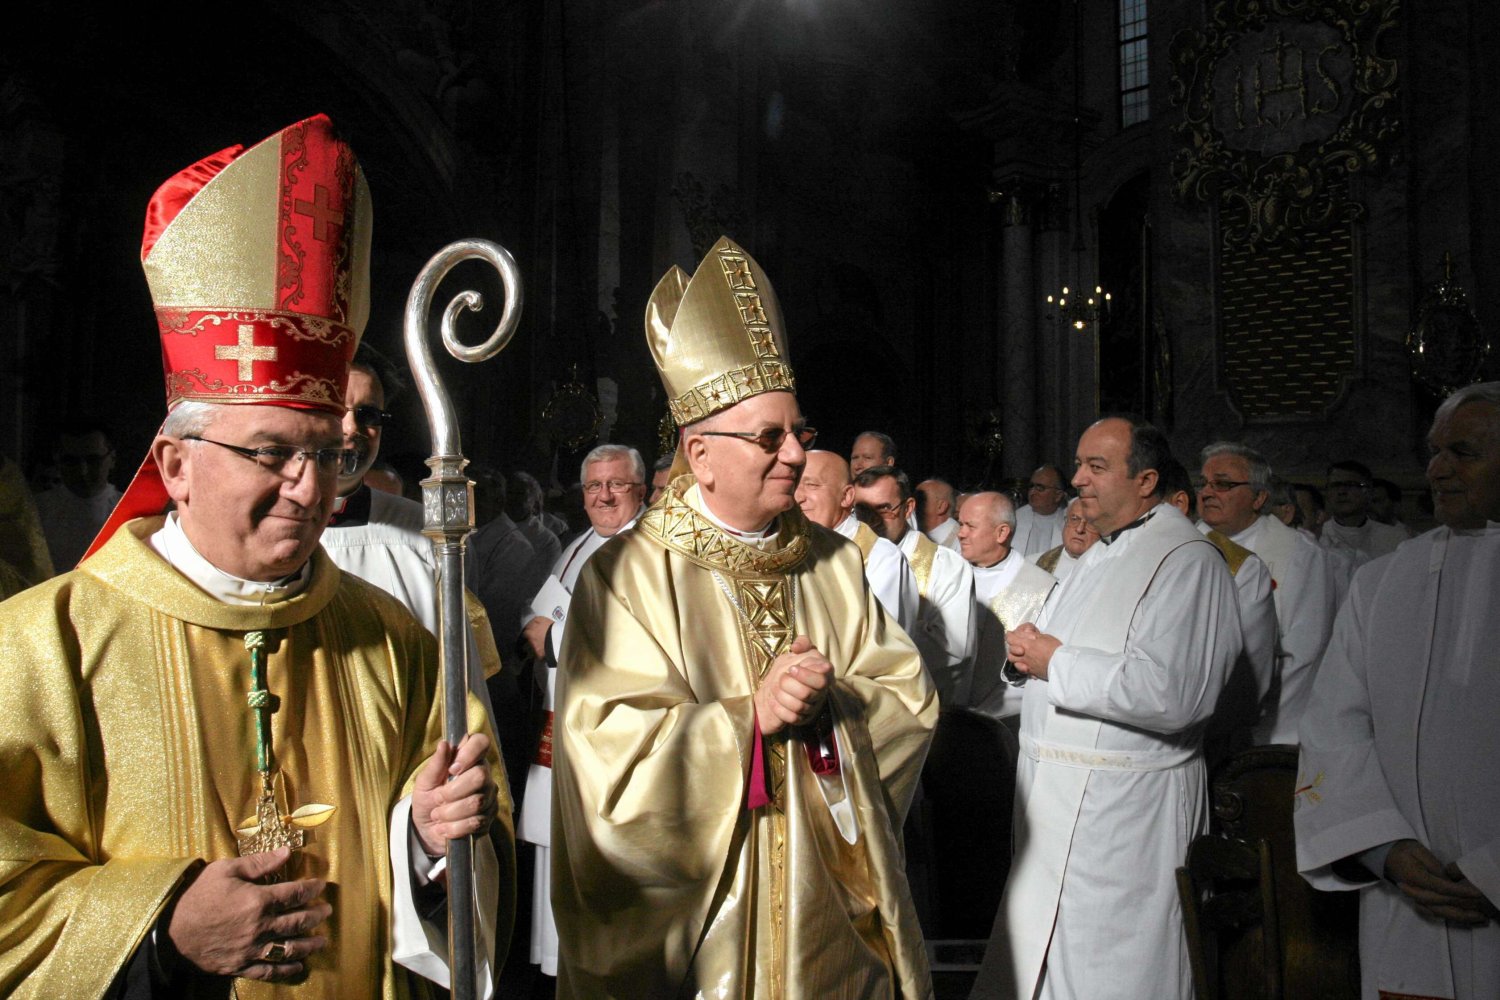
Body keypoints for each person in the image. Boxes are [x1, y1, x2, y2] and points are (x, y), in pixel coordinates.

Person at [0, 115, 509, 998]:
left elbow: (465, 851)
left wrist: (426, 842)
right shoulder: (44, 647)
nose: (310, 488)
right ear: (176, 465)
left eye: (327, 453)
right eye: (271, 453)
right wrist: (161, 930)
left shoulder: (393, 640)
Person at [551, 236, 937, 998]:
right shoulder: (626, 577)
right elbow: (606, 767)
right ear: (700, 455)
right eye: (769, 437)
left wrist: (831, 712)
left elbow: (909, 701)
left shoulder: (833, 563)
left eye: (800, 432)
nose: (795, 454)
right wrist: (748, 720)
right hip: (706, 937)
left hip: (831, 919)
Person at [973, 416, 1241, 1000]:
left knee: (1118, 972)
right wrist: (1025, 656)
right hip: (1055, 805)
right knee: (1049, 966)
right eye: (1078, 465)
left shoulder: (1188, 561)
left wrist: (1052, 660)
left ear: (1145, 481)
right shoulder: (1098, 552)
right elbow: (1059, 649)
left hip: (1125, 816)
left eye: (1096, 466)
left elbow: (1177, 694)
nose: (1077, 480)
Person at [1296, 381, 1500, 999]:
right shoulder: (1382, 582)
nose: (1436, 470)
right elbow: (1334, 727)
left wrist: (1493, 871)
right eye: (1435, 451)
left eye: (1463, 453)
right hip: (1407, 897)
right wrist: (1383, 848)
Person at [516, 443, 646, 981]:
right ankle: (561, 967)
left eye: (617, 484)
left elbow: (637, 638)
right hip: (561, 716)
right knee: (558, 842)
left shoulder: (650, 549)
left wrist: (550, 639)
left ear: (641, 490)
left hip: (616, 733)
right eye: (594, 486)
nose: (605, 496)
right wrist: (539, 633)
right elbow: (536, 614)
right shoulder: (579, 544)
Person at [1198, 442, 1337, 745]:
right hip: (1193, 720)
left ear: (1259, 497)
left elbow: (1304, 651)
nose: (1207, 492)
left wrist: (1267, 730)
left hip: (1267, 728)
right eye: (1204, 483)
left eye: (1222, 484)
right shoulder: (1187, 541)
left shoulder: (1299, 553)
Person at [853, 464, 977, 706]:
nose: (872, 522)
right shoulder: (847, 556)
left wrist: (881, 638)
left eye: (884, 509)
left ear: (908, 507)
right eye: (863, 511)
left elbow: (954, 649)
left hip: (920, 703)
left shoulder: (945, 566)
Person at [797, 449, 919, 633]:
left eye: (812, 485)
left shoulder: (882, 558)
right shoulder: (788, 547)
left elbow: (883, 641)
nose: (798, 497)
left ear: (846, 496)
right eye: (794, 485)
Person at [958, 490, 1056, 720]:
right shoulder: (947, 572)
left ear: (1001, 533)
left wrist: (982, 716)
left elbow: (1036, 668)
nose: (960, 533)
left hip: (1000, 720)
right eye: (960, 524)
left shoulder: (1040, 588)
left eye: (970, 526)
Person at [33, 422, 123, 572]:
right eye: (71, 461)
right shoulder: (36, 512)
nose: (83, 471)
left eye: (93, 460)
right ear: (57, 460)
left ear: (112, 459)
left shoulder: (131, 512)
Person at [1321, 460, 1409, 563]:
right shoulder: (1318, 535)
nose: (1341, 492)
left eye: (1350, 485)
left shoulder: (1395, 538)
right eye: (1335, 485)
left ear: (1368, 492)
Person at [1031, 497, 1098, 582]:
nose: (1079, 529)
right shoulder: (1033, 564)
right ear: (1065, 522)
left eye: (1090, 522)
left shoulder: (1107, 568)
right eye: (1074, 519)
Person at [1010, 464, 1069, 559]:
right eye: (1031, 486)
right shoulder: (1016, 518)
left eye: (1040, 488)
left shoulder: (1068, 522)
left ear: (1058, 495)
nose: (1032, 492)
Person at [917, 476, 963, 551]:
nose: (913, 504)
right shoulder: (915, 531)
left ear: (941, 507)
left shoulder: (960, 541)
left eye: (921, 500)